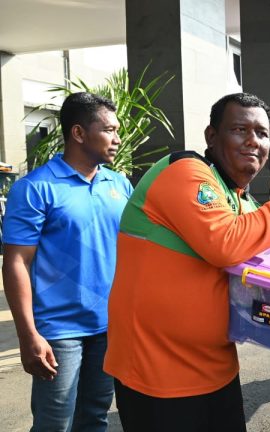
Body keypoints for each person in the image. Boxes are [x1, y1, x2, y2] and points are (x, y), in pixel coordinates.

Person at [103, 92, 270, 431]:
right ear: (211, 136)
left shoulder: (240, 199)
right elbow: (226, 244)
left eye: (262, 133)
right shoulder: (185, 171)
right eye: (239, 129)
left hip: (216, 370)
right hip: (157, 375)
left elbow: (268, 276)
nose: (253, 141)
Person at [2, 92, 133, 431]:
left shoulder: (119, 184)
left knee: (95, 418)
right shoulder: (35, 189)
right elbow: (16, 262)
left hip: (109, 326)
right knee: (54, 424)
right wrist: (28, 335)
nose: (117, 139)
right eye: (109, 130)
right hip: (59, 331)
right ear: (78, 133)